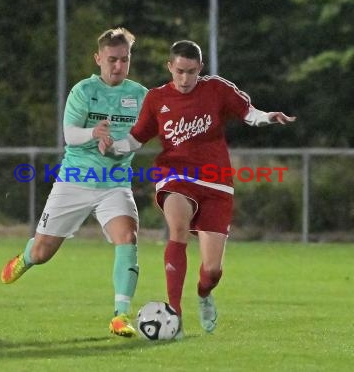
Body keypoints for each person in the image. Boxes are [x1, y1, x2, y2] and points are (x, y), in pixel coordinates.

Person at [100, 40, 296, 338]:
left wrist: (268, 116)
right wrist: (114, 145)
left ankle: (204, 295)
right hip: (175, 174)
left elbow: (248, 112)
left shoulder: (217, 89)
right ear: (170, 67)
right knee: (178, 230)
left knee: (212, 270)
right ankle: (175, 316)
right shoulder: (156, 98)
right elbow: (137, 138)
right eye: (179, 71)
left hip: (216, 183)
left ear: (200, 69)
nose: (185, 78)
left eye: (191, 72)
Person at [1, 27, 148, 338]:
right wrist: (94, 134)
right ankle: (26, 256)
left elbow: (141, 138)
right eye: (112, 60)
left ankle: (121, 314)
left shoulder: (140, 96)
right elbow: (70, 135)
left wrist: (120, 146)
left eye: (124, 60)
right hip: (74, 181)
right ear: (98, 59)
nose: (118, 66)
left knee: (128, 237)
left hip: (114, 183)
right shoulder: (83, 91)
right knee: (43, 254)